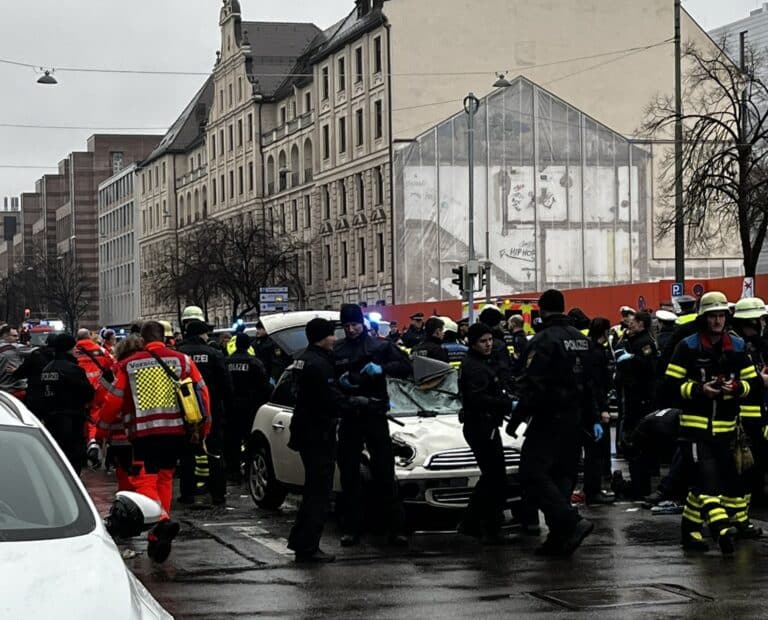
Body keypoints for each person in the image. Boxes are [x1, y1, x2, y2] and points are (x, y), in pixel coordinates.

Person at [100, 320, 210, 563]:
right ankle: (158, 532)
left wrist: (103, 429)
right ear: (164, 336)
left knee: (144, 479)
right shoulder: (182, 361)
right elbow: (202, 393)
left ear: (142, 339)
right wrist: (204, 427)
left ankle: (161, 521)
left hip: (144, 434)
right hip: (176, 433)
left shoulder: (129, 364)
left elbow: (114, 401)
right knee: (165, 477)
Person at [664, 291, 763, 554]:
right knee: (707, 482)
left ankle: (690, 531)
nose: (717, 321)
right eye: (713, 316)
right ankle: (722, 530)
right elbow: (671, 386)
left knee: (711, 484)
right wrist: (699, 390)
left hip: (727, 429)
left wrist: (736, 387)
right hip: (695, 430)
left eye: (721, 315)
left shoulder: (737, 347)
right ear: (704, 318)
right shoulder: (687, 347)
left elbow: (752, 384)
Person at [508, 289, 598, 556]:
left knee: (531, 473)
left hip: (549, 418)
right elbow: (591, 384)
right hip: (576, 420)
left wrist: (517, 418)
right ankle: (560, 538)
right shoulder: (581, 340)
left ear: (542, 310)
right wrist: (593, 418)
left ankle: (570, 522)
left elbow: (532, 385)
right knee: (562, 476)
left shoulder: (544, 340)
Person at [334, 303, 412, 547]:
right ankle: (352, 528)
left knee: (384, 472)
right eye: (346, 326)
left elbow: (406, 368)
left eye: (354, 324)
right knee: (349, 474)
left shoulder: (380, 346)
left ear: (362, 323)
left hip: (374, 413)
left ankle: (395, 528)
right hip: (350, 415)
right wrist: (342, 385)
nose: (351, 329)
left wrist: (382, 369)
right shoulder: (338, 349)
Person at [287, 318, 348, 563]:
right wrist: (356, 403)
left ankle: (300, 541)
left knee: (313, 489)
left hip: (304, 429)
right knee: (319, 492)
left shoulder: (302, 358)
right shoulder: (319, 364)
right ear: (323, 337)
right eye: (332, 335)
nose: (335, 339)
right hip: (318, 431)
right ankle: (308, 546)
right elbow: (328, 398)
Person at [457, 323, 516, 544]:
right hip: (481, 425)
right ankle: (474, 522)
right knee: (493, 476)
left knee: (495, 476)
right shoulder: (473, 366)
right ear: (473, 343)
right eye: (483, 341)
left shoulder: (482, 362)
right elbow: (478, 398)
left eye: (490, 339)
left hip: (487, 424)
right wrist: (507, 403)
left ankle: (484, 522)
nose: (489, 344)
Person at [176, 319, 234, 505]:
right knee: (214, 452)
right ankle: (218, 493)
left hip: (184, 410)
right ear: (201, 334)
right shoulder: (214, 353)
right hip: (211, 409)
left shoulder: (178, 354)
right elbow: (226, 385)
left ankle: (188, 493)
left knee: (187, 453)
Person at [614, 311, 658, 498]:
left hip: (640, 399)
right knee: (635, 444)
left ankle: (640, 486)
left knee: (637, 443)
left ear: (642, 324)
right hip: (633, 397)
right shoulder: (633, 340)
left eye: (634, 322)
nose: (630, 324)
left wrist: (630, 359)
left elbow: (646, 367)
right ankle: (638, 483)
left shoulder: (645, 343)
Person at [38, 334, 95, 474]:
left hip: (51, 419)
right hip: (72, 418)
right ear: (69, 348)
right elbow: (88, 393)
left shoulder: (46, 369)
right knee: (73, 457)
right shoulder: (74, 369)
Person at [226, 333, 271, 479]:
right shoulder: (254, 362)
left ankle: (233, 470)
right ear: (248, 345)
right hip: (250, 407)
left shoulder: (227, 362)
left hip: (231, 407)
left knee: (232, 440)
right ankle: (248, 469)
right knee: (249, 439)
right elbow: (264, 385)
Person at [583, 317, 614, 505]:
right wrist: (601, 410)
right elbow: (596, 385)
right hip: (594, 407)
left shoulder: (591, 349)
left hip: (592, 405)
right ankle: (593, 491)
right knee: (594, 451)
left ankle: (593, 489)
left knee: (594, 451)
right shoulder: (596, 352)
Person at [74, 327, 114, 468]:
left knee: (83, 417)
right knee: (96, 415)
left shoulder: (73, 351)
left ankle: (88, 444)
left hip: (80, 389)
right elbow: (111, 363)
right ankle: (95, 442)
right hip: (99, 388)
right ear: (89, 337)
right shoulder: (99, 350)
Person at [0, 324, 26, 398]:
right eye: (14, 336)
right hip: (14, 390)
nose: (17, 338)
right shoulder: (15, 347)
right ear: (5, 336)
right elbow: (35, 351)